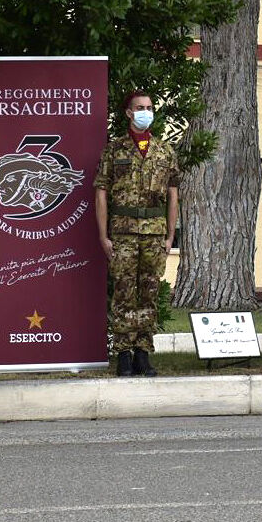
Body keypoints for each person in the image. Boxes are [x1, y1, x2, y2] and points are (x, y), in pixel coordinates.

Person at [94, 90, 180, 377]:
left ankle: (143, 351)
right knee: (123, 291)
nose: (146, 111)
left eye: (150, 107)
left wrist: (170, 236)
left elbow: (173, 195)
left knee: (149, 291)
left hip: (154, 233)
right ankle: (123, 353)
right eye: (140, 107)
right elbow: (101, 193)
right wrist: (103, 235)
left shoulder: (164, 151)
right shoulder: (114, 149)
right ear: (129, 113)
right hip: (123, 232)